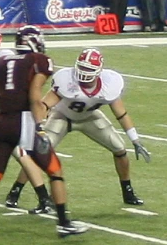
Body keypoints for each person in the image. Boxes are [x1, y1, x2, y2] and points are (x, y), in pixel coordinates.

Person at [0, 29, 88, 241]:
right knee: (55, 171)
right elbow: (34, 97)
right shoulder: (40, 61)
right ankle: (64, 223)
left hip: (1, 121)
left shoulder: (3, 61)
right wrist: (39, 128)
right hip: (24, 120)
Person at [40, 48, 150, 205]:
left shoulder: (109, 84)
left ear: (99, 71)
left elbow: (121, 114)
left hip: (89, 117)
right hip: (61, 116)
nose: (84, 72)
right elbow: (44, 105)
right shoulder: (66, 80)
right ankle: (28, 193)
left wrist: (135, 140)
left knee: (119, 148)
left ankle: (128, 191)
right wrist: (38, 126)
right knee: (39, 151)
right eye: (82, 67)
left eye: (89, 69)